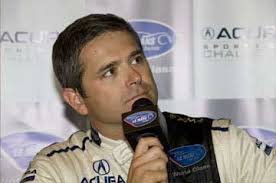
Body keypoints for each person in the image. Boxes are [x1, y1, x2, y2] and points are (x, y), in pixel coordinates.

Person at [20, 13, 275, 183]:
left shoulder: (220, 141)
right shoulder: (54, 171)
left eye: (136, 59)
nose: (134, 76)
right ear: (77, 100)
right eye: (110, 71)